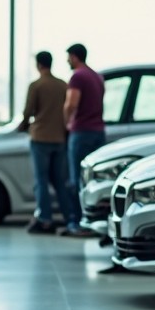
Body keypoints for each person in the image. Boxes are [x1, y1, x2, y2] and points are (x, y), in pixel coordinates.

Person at [18, 51, 76, 234]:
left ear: (38, 65)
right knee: (60, 181)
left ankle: (45, 219)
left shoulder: (36, 85)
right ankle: (69, 217)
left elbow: (28, 111)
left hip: (40, 138)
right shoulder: (63, 85)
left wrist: (23, 125)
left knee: (41, 181)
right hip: (59, 138)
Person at [63, 43, 105, 236]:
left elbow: (71, 104)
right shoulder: (97, 77)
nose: (67, 61)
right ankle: (92, 221)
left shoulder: (77, 76)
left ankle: (78, 223)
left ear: (74, 57)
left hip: (81, 132)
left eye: (68, 57)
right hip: (98, 131)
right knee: (93, 180)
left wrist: (66, 123)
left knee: (76, 180)